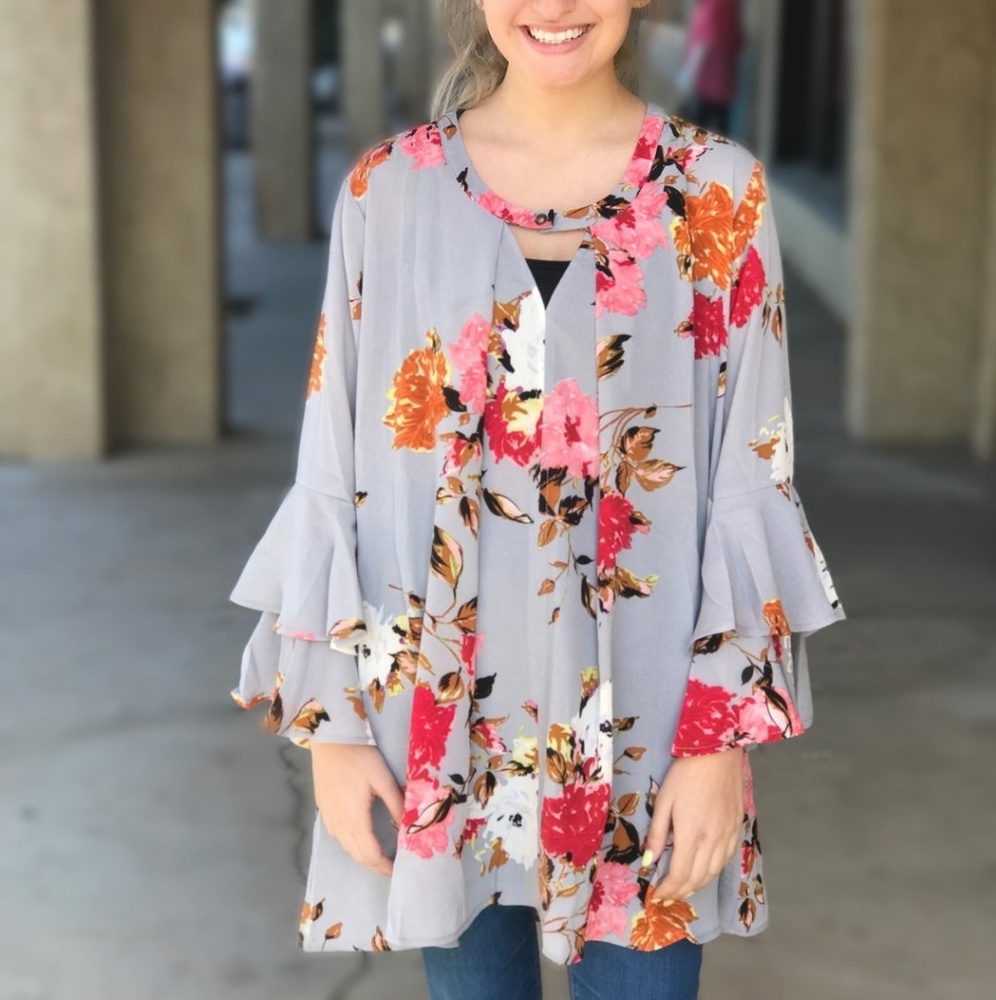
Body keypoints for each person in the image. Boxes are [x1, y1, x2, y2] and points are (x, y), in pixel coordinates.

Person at [226, 1, 846, 998]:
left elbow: (752, 477)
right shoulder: (389, 195)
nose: (554, 6)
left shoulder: (718, 192)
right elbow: (332, 475)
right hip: (439, 732)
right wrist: (335, 730)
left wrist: (718, 743)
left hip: (653, 736)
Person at [676, 0, 744, 135]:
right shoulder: (730, 5)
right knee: (719, 123)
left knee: (699, 124)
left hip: (708, 79)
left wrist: (687, 76)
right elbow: (738, 39)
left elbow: (703, 42)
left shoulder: (713, 5)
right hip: (724, 79)